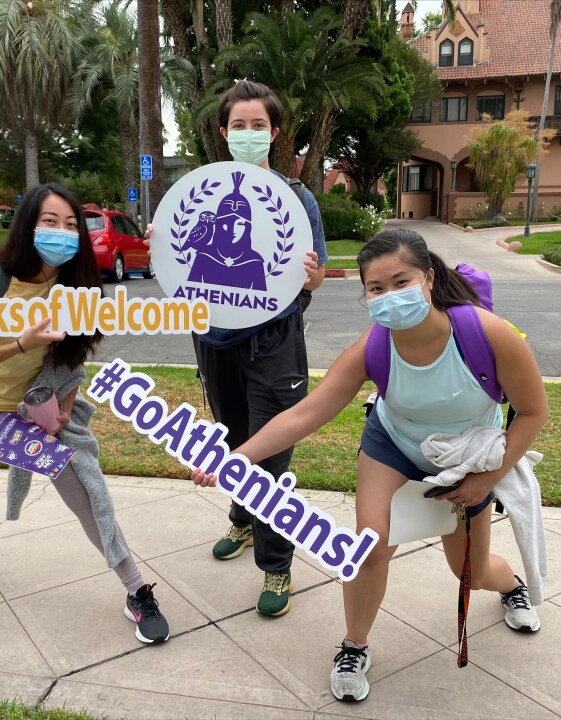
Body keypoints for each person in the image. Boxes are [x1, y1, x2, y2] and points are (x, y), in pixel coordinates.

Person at [192, 228, 548, 702]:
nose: (389, 296)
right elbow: (305, 412)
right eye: (376, 288)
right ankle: (354, 645)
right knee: (369, 548)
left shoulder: (485, 333)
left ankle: (512, 587)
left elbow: (533, 412)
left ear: (429, 277)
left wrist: (488, 479)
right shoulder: (374, 345)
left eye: (401, 281)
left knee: (471, 572)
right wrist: (238, 456)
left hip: (466, 457)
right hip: (393, 445)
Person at [0, 182, 169, 644]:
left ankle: (136, 589)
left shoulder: (74, 284)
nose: (61, 233)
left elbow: (71, 357)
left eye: (71, 224)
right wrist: (21, 343)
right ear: (28, 225)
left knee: (87, 496)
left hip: (31, 411)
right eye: (50, 222)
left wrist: (62, 406)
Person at [177, 79, 328, 618]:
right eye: (237, 125)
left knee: (270, 453)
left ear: (275, 132)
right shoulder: (199, 194)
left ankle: (277, 565)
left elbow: (316, 280)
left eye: (257, 125)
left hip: (275, 345)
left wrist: (310, 277)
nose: (247, 133)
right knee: (234, 437)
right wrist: (165, 244)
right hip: (215, 341)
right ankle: (243, 523)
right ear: (223, 132)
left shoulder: (297, 197)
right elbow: (178, 267)